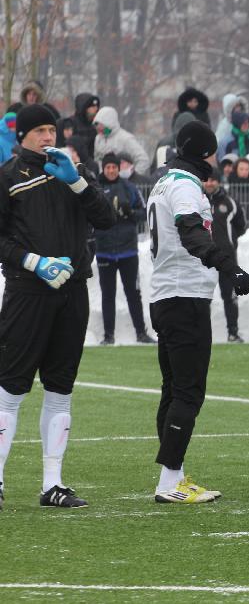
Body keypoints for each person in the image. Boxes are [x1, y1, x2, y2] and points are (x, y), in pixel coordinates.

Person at [0, 105, 115, 509]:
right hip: (27, 293)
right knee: (11, 389)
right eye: (40, 131)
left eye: (52, 129)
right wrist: (34, 262)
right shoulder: (8, 177)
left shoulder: (72, 170)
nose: (48, 137)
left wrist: (79, 182)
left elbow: (108, 218)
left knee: (61, 389)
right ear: (23, 136)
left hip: (72, 292)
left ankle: (53, 484)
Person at [147, 120, 249, 503]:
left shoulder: (165, 182)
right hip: (183, 297)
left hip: (166, 295)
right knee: (188, 393)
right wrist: (230, 267)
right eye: (212, 152)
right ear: (202, 152)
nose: (216, 159)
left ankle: (172, 475)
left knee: (173, 389)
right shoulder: (184, 186)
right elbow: (191, 232)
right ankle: (168, 483)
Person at [95, 152, 154, 346]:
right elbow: (89, 214)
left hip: (128, 251)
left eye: (114, 167)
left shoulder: (129, 188)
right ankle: (108, 335)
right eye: (107, 167)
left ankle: (141, 333)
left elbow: (144, 212)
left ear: (118, 169)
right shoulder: (96, 188)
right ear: (103, 169)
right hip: (105, 251)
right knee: (108, 294)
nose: (111, 170)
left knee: (133, 293)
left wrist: (130, 213)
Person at [203, 171, 247, 343]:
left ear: (219, 182)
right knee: (203, 298)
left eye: (214, 180)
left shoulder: (230, 203)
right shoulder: (198, 202)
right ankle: (202, 334)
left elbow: (241, 226)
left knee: (230, 297)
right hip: (204, 259)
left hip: (226, 259)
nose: (210, 183)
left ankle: (233, 333)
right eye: (207, 180)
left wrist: (229, 243)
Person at [93, 106, 151, 174]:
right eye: (97, 125)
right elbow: (97, 160)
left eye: (102, 125)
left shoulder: (125, 139)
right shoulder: (98, 139)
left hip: (122, 182)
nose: (99, 128)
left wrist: (133, 177)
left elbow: (143, 160)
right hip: (103, 182)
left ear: (110, 123)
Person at [69, 93, 100, 165]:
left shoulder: (95, 126)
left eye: (96, 106)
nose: (96, 109)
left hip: (91, 165)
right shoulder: (70, 124)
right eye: (92, 106)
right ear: (83, 108)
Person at [216, 93, 247, 159]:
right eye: (235, 107)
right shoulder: (224, 124)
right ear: (229, 108)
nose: (238, 109)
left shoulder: (245, 121)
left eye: (239, 106)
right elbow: (219, 142)